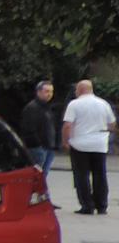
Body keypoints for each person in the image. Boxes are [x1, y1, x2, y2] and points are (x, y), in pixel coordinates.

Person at [60, 78, 117, 215]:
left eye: (76, 89)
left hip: (80, 144)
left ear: (80, 90)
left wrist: (65, 141)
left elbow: (67, 125)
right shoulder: (103, 104)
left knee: (82, 175)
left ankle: (87, 205)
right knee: (100, 174)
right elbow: (112, 123)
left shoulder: (74, 104)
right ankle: (101, 205)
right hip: (99, 144)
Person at [20, 80, 60, 177]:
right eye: (46, 91)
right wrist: (38, 145)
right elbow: (29, 128)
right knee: (36, 176)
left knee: (43, 175)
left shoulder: (48, 107)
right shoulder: (32, 108)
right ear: (38, 92)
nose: (49, 94)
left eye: (51, 91)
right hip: (39, 148)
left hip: (49, 147)